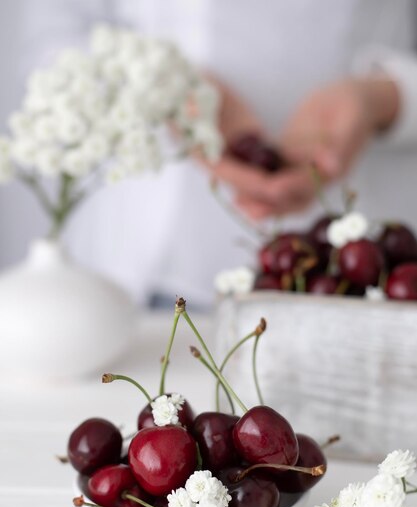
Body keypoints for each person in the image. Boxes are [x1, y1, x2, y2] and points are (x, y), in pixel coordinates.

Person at [8, 0, 417, 307]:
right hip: (143, 273)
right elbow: (49, 43)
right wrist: (164, 84)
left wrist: (387, 97)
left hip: (351, 276)